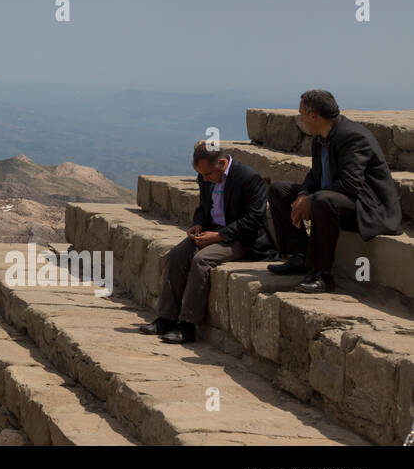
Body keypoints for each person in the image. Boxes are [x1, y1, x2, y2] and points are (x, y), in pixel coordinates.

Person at [266, 90, 402, 293]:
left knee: (322, 200)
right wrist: (303, 195)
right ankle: (299, 257)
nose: (300, 118)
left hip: (368, 208)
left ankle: (322, 275)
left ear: (314, 116)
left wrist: (311, 199)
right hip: (336, 199)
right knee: (279, 190)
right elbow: (315, 176)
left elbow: (350, 184)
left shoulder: (352, 136)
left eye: (302, 113)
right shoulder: (320, 137)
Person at [139, 141, 272, 344]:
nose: (205, 179)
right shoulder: (206, 176)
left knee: (201, 260)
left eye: (208, 174)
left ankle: (187, 325)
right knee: (176, 255)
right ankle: (165, 318)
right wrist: (198, 224)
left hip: (241, 238)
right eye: (202, 175)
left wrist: (219, 236)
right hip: (212, 232)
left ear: (221, 163)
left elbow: (254, 219)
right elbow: (204, 207)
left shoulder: (248, 179)